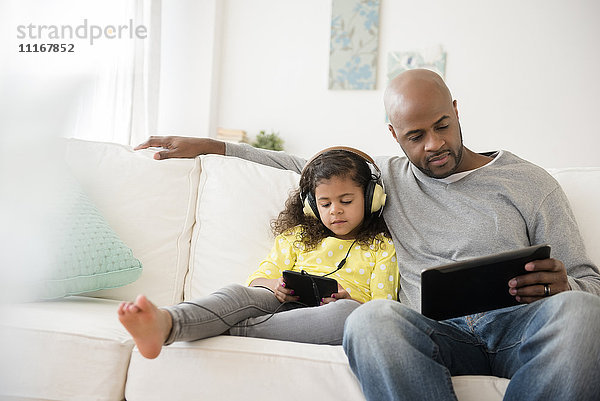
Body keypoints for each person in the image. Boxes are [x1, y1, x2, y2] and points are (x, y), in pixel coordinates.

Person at [135, 69, 600, 400]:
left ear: (456, 111)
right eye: (416, 136)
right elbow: (305, 168)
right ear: (394, 135)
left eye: (442, 126)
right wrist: (212, 147)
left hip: (517, 329)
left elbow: (589, 284)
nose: (434, 144)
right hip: (437, 333)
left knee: (581, 311)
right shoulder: (386, 181)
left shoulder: (530, 183)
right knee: (371, 318)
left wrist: (566, 285)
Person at [118, 147, 398, 359]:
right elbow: (258, 278)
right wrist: (275, 286)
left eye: (346, 201)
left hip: (330, 316)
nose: (335, 210)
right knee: (239, 294)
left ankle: (229, 328)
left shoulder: (381, 246)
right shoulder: (298, 238)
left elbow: (383, 309)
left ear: (371, 198)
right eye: (324, 204)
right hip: (281, 303)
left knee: (347, 314)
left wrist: (351, 300)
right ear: (312, 206)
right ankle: (166, 323)